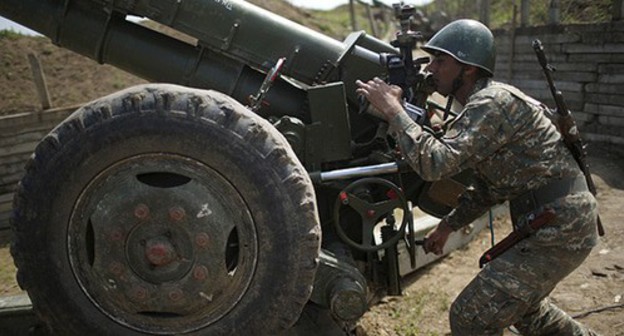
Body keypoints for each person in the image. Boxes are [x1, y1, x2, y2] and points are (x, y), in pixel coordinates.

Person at [356, 19, 600, 336]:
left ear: (468, 69)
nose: (430, 69)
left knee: (470, 317)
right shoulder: (482, 105)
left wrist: (394, 111)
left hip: (560, 224)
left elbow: (436, 164)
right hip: (552, 218)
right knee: (526, 314)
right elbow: (489, 187)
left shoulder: (491, 102)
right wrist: (448, 225)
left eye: (440, 61)